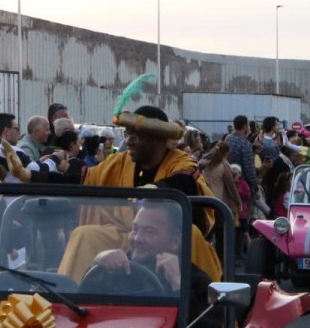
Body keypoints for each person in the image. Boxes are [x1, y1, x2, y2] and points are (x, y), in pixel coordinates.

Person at [59, 105, 222, 283]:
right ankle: (70, 299)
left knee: (191, 234)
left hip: (167, 239)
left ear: (158, 139)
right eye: (127, 134)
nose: (129, 141)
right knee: (85, 235)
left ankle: (201, 302)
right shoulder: (119, 162)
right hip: (129, 234)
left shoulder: (180, 162)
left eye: (137, 136)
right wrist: (32, 176)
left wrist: (152, 189)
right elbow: (83, 179)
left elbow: (183, 183)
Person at [90, 203, 219, 328]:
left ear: (175, 241)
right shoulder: (115, 269)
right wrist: (98, 267)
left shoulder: (197, 283)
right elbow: (83, 319)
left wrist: (179, 286)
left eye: (149, 232)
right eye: (135, 229)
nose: (137, 238)